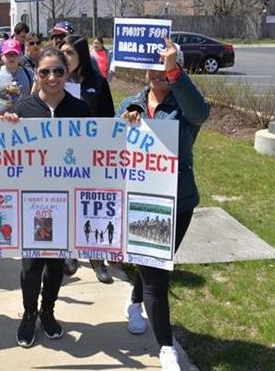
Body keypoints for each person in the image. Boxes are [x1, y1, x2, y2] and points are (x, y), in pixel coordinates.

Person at [118, 38, 208, 371]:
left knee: (158, 259)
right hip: (140, 201)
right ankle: (166, 346)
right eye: (154, 69)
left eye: (165, 69)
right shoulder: (129, 103)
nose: (158, 75)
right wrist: (123, 125)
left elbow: (202, 112)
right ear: (144, 72)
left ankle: (135, 300)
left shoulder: (184, 107)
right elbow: (112, 146)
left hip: (179, 200)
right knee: (157, 274)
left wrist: (175, 72)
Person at [0, 48, 92, 347]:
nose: (52, 78)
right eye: (44, 72)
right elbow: (1, 153)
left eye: (58, 72)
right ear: (36, 75)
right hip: (32, 202)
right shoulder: (22, 110)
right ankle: (28, 314)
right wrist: (5, 127)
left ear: (67, 73)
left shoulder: (81, 110)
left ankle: (47, 311)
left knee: (55, 264)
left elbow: (97, 153)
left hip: (65, 201)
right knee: (31, 264)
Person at [59, 35, 116, 282]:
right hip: (61, 155)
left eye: (70, 53)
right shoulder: (54, 81)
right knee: (66, 203)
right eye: (62, 53)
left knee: (92, 204)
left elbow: (108, 118)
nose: (65, 58)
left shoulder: (98, 82)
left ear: (81, 55)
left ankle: (96, 256)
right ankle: (69, 251)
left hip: (91, 154)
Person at [0, 39, 36, 116]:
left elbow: (35, 96)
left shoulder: (29, 73)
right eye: (8, 54)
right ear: (2, 56)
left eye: (14, 54)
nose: (11, 58)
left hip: (24, 119)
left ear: (20, 56)